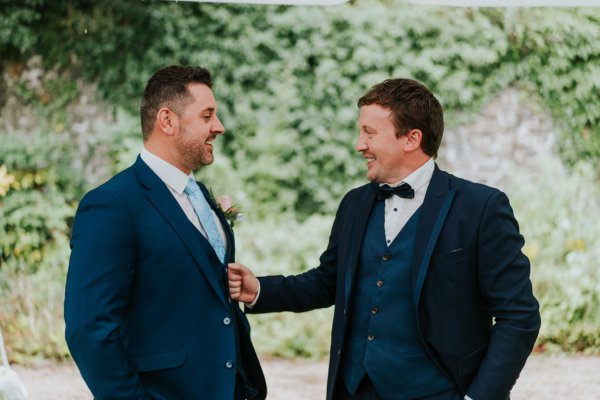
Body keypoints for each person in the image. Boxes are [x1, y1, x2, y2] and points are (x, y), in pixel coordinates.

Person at [228, 78, 540, 400]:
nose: (359, 144)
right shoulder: (354, 204)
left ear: (411, 138)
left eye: (370, 133)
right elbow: (327, 281)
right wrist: (260, 290)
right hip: (354, 389)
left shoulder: (480, 207)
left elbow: (519, 316)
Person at [64, 65, 266, 400]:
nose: (219, 126)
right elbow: (90, 330)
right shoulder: (112, 205)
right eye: (207, 116)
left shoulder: (200, 194)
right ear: (167, 120)